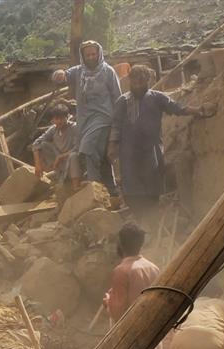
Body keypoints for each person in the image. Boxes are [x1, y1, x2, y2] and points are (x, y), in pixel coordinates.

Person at [110, 64, 210, 218]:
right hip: (129, 151)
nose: (137, 86)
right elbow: (116, 125)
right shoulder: (122, 101)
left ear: (148, 81)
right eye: (134, 82)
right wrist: (113, 146)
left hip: (151, 149)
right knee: (131, 184)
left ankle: (151, 218)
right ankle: (138, 217)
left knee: (152, 182)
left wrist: (197, 110)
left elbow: (177, 108)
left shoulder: (157, 98)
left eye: (141, 82)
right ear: (130, 82)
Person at [102, 223, 164, 349]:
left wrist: (108, 300)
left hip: (130, 340)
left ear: (120, 243)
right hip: (153, 336)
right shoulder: (152, 267)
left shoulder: (122, 270)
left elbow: (118, 311)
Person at [52, 40, 121, 197]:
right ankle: (112, 191)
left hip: (104, 118)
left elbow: (118, 97)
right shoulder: (78, 72)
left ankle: (94, 190)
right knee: (101, 156)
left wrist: (118, 123)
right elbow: (60, 77)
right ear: (82, 56)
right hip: (85, 121)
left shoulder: (108, 72)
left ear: (99, 54)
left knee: (88, 150)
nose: (91, 57)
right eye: (87, 54)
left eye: (93, 54)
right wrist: (59, 74)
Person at [31, 103, 81, 187]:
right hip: (59, 162)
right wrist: (37, 165)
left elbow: (78, 147)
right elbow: (36, 143)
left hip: (71, 159)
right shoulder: (53, 129)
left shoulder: (74, 128)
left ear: (67, 117)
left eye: (62, 118)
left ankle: (75, 186)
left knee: (73, 156)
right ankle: (55, 173)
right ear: (53, 120)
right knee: (43, 145)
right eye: (56, 119)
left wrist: (61, 156)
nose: (59, 121)